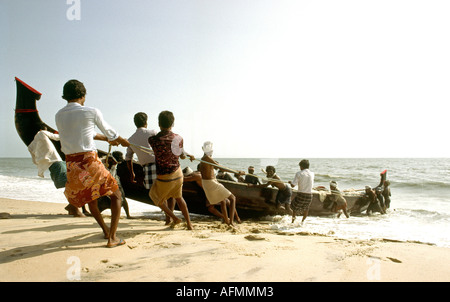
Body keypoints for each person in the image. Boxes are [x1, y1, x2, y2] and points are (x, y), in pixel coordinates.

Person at [55, 79, 130, 248]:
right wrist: (122, 141)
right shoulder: (91, 111)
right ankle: (112, 238)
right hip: (89, 161)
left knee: (92, 199)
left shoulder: (59, 115)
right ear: (83, 96)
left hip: (72, 165)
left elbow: (82, 132)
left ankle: (105, 231)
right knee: (116, 195)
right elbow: (111, 132)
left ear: (65, 96)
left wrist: (106, 138)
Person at [27, 128, 89, 217]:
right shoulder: (42, 133)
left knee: (72, 184)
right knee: (73, 184)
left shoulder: (33, 144)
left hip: (54, 164)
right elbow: (57, 137)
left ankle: (74, 208)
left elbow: (34, 157)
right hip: (57, 163)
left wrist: (42, 163)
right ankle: (73, 207)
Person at [148, 110, 194, 230]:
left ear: (159, 123)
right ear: (172, 123)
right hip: (178, 174)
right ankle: (189, 224)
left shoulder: (152, 140)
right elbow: (180, 154)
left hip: (164, 176)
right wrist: (187, 155)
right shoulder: (179, 138)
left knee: (154, 196)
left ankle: (174, 217)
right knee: (179, 197)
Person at [199, 141, 243, 226]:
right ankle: (231, 222)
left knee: (223, 201)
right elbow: (221, 168)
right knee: (233, 198)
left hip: (210, 182)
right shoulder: (207, 158)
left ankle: (227, 220)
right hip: (210, 182)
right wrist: (236, 172)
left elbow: (216, 166)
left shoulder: (205, 158)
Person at [125, 112, 157, 189]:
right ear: (146, 122)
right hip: (160, 166)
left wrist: (132, 173)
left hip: (147, 169)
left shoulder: (130, 140)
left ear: (135, 124)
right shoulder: (152, 133)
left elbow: (128, 159)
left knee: (156, 196)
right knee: (168, 195)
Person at [289, 159, 315, 224]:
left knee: (293, 207)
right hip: (310, 195)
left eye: (300, 166)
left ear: (301, 166)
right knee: (306, 208)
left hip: (301, 194)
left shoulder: (299, 173)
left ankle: (292, 222)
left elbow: (293, 185)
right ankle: (302, 222)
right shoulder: (312, 173)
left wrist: (290, 182)